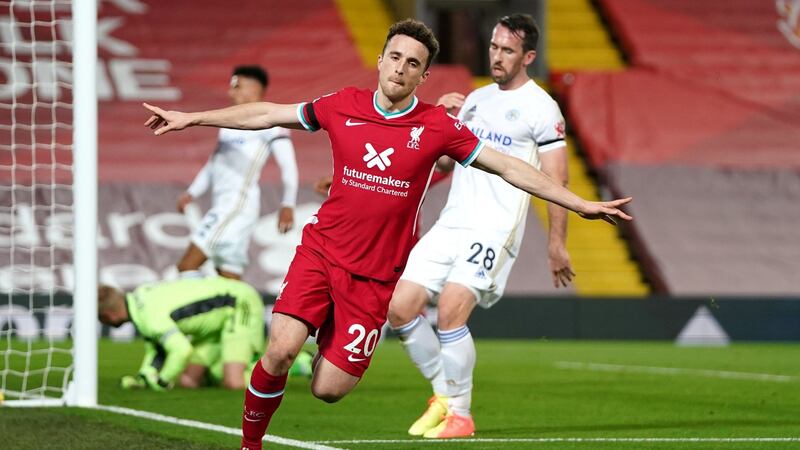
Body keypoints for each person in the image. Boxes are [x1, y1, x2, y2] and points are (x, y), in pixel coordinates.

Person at [142, 18, 632, 450]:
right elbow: (268, 113)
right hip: (322, 252)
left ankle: (331, 338)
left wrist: (581, 203)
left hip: (376, 278)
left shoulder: (438, 126)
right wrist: (191, 118)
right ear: (380, 61)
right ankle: (251, 446)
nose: (400, 67)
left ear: (423, 75)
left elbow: (508, 166)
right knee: (279, 349)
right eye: (394, 57)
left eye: (412, 62)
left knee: (328, 391)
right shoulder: (341, 105)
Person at [387, 14, 575, 439]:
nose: (496, 56)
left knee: (452, 309)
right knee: (398, 306)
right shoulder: (473, 100)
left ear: (528, 56)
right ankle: (443, 396)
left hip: (494, 228)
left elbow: (556, 181)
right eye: (493, 46)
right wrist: (439, 122)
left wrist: (557, 243)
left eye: (507, 50)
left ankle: (462, 415)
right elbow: (445, 163)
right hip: (453, 223)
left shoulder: (542, 110)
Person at [176, 65, 299, 280]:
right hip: (225, 204)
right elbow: (215, 163)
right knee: (229, 276)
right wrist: (192, 192)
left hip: (236, 205)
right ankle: (241, 313)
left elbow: (288, 166)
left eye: (237, 87)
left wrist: (287, 204)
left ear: (253, 90)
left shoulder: (272, 123)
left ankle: (196, 313)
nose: (230, 92)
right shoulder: (228, 123)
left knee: (187, 266)